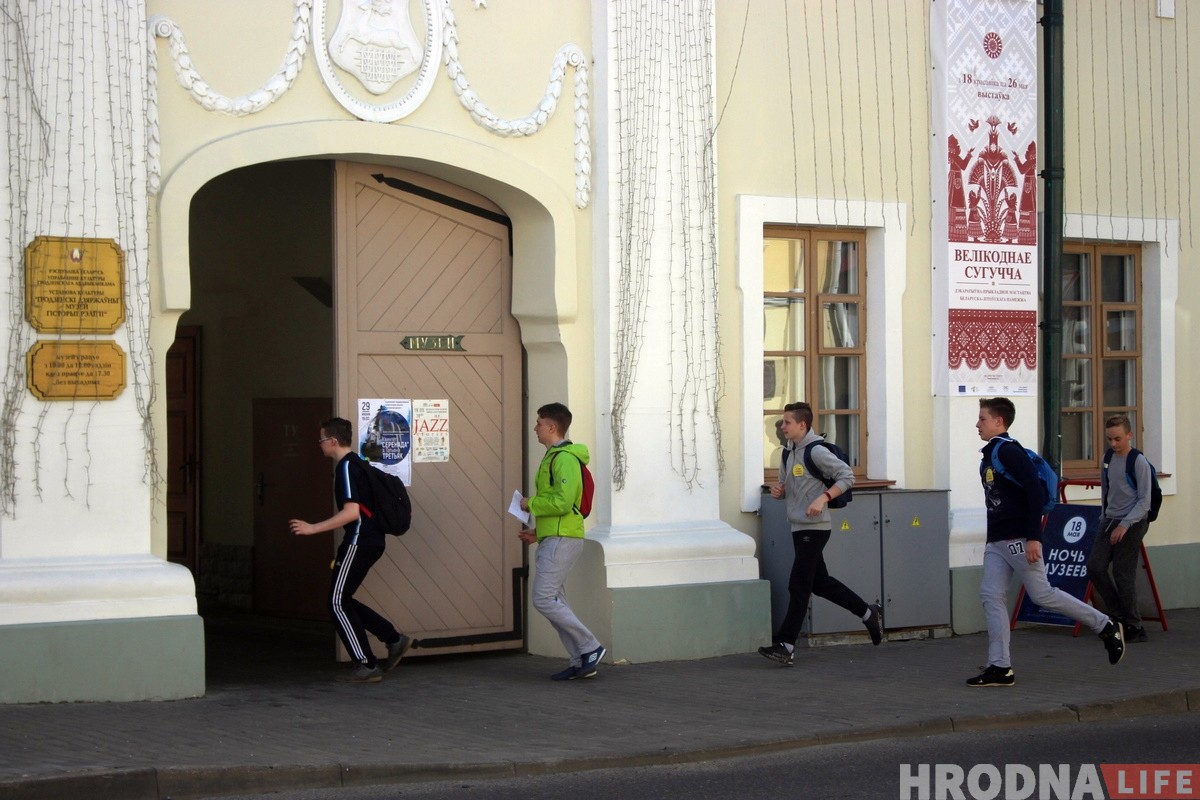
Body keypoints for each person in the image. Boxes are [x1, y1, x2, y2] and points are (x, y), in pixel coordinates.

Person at [970, 397, 1125, 687]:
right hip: (998, 541)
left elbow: (1035, 494)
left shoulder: (1009, 452)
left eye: (983, 419)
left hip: (1019, 537)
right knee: (991, 596)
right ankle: (1000, 667)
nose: (977, 424)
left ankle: (1105, 625)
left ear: (999, 422)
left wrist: (1034, 538)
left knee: (1043, 594)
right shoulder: (990, 454)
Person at [758, 401, 882, 667]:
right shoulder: (786, 453)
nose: (782, 426)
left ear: (802, 425)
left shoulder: (815, 451)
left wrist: (823, 498)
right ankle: (867, 612)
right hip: (798, 526)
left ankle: (786, 645)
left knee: (798, 584)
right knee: (819, 582)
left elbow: (847, 476)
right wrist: (779, 492)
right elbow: (788, 487)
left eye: (787, 422)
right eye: (782, 421)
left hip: (815, 529)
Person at [289, 417, 413, 683]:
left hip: (359, 540)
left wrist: (313, 528)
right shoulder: (358, 463)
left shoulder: (346, 468)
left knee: (336, 601)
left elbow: (351, 512)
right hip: (370, 541)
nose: (320, 445)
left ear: (333, 441)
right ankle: (393, 639)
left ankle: (366, 664)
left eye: (321, 440)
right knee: (342, 599)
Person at [518, 402, 606, 681]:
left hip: (563, 539)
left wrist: (529, 503)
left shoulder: (564, 458)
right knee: (556, 601)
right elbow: (561, 504)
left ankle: (590, 647)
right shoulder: (554, 456)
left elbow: (563, 501)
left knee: (543, 599)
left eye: (539, 423)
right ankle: (581, 659)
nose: (535, 428)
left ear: (552, 427)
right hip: (555, 537)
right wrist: (538, 533)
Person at [1088, 415, 1153, 643]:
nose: (1113, 444)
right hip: (1110, 519)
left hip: (1134, 521)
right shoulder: (1108, 458)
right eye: (1109, 439)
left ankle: (1134, 625)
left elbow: (1145, 501)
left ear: (1129, 435)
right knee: (1095, 567)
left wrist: (1125, 525)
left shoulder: (1138, 461)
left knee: (1122, 573)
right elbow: (1107, 490)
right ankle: (1116, 615)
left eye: (1118, 439)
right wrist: (1104, 516)